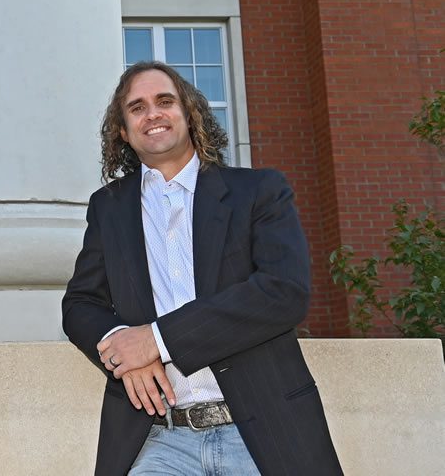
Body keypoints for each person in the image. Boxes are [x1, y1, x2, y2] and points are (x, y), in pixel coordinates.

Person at [62, 62, 341, 475]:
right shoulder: (109, 206)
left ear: (189, 114)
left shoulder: (259, 191)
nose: (152, 113)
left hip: (262, 432)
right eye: (136, 108)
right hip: (159, 438)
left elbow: (283, 292)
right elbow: (81, 304)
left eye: (164, 101)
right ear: (123, 131)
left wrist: (156, 341)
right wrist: (122, 344)